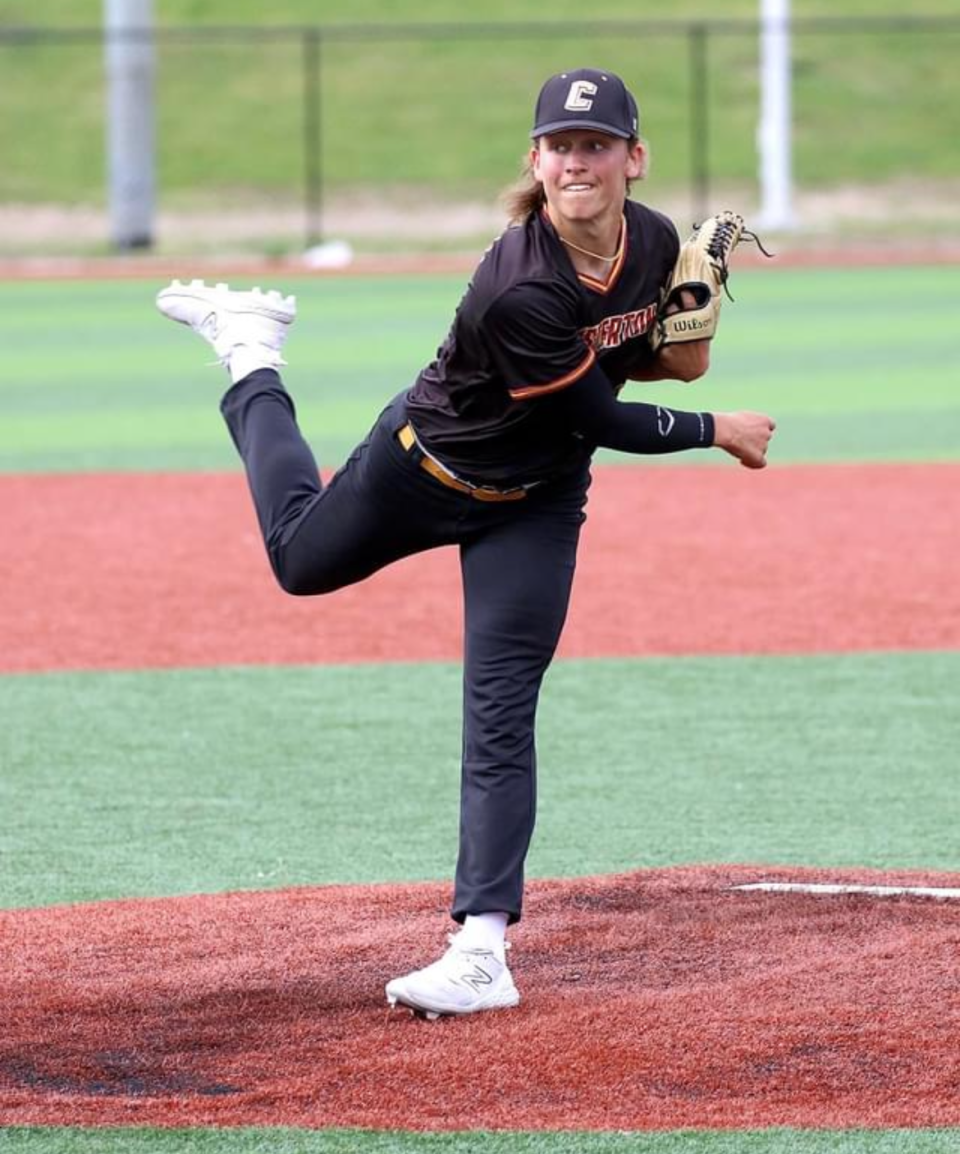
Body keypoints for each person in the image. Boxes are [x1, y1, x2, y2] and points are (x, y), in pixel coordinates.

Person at [157, 67, 775, 1020]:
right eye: (562, 147)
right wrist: (715, 428)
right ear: (536, 161)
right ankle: (251, 351)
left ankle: (480, 948)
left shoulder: (652, 243)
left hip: (534, 502)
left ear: (633, 159)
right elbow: (599, 411)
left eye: (598, 144)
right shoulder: (518, 281)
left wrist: (689, 330)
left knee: (499, 709)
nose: (580, 161)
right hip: (423, 468)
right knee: (296, 562)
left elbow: (656, 359)